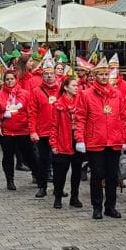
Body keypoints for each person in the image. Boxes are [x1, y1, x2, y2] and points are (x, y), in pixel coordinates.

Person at [74, 59, 126, 220]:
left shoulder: (117, 94)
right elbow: (80, 118)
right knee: (97, 175)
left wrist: (124, 138)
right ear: (95, 75)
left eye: (106, 74)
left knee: (113, 176)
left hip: (114, 140)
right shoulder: (86, 94)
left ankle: (110, 206)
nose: (104, 77)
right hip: (95, 141)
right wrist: (79, 139)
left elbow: (122, 118)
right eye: (101, 74)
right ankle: (96, 206)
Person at [0, 69, 35, 191]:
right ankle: (10, 180)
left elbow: (31, 111)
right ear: (4, 81)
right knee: (8, 156)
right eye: (7, 79)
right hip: (6, 131)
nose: (9, 81)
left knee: (29, 155)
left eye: (12, 79)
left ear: (16, 80)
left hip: (23, 130)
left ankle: (37, 175)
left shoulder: (25, 94)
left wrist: (32, 127)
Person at [49, 75, 84, 210]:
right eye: (74, 85)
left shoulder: (80, 102)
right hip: (62, 141)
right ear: (65, 88)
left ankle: (74, 197)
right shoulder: (58, 105)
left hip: (77, 140)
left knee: (76, 171)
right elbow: (53, 126)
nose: (77, 88)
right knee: (60, 173)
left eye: (77, 85)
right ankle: (58, 197)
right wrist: (53, 144)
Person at [28, 56, 59, 199]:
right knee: (43, 160)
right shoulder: (36, 91)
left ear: (55, 74)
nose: (48, 76)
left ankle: (58, 187)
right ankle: (42, 186)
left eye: (51, 73)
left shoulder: (61, 89)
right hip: (43, 131)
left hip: (59, 131)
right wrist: (33, 131)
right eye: (46, 73)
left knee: (59, 161)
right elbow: (32, 112)